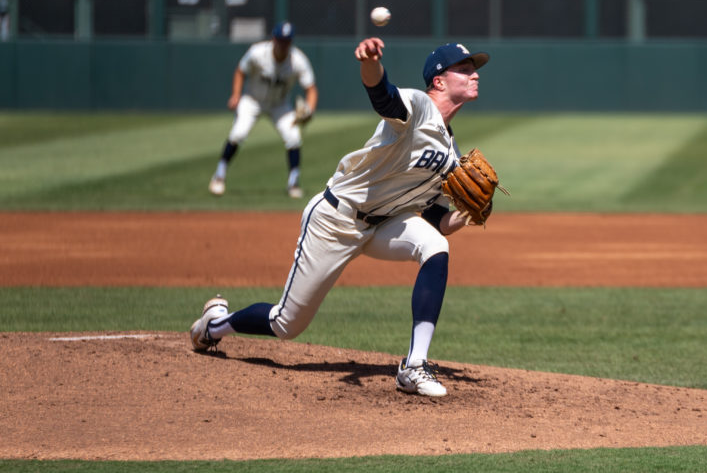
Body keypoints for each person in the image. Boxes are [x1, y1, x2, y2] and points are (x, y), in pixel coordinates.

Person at [191, 37, 489, 397]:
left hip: (382, 225)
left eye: (474, 69)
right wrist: (370, 62)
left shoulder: (450, 152)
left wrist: (468, 215)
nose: (475, 74)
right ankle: (215, 325)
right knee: (286, 323)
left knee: (435, 245)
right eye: (465, 69)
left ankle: (413, 366)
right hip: (336, 219)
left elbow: (437, 218)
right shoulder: (419, 105)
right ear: (439, 80)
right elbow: (383, 95)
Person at [209, 21, 318, 199]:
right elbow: (240, 71)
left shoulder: (298, 60)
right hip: (253, 101)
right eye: (281, 40)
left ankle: (293, 183)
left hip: (280, 105)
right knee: (238, 133)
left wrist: (310, 109)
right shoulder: (257, 52)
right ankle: (219, 176)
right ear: (273, 39)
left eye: (287, 41)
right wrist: (236, 95)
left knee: (294, 138)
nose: (283, 44)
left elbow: (311, 88)